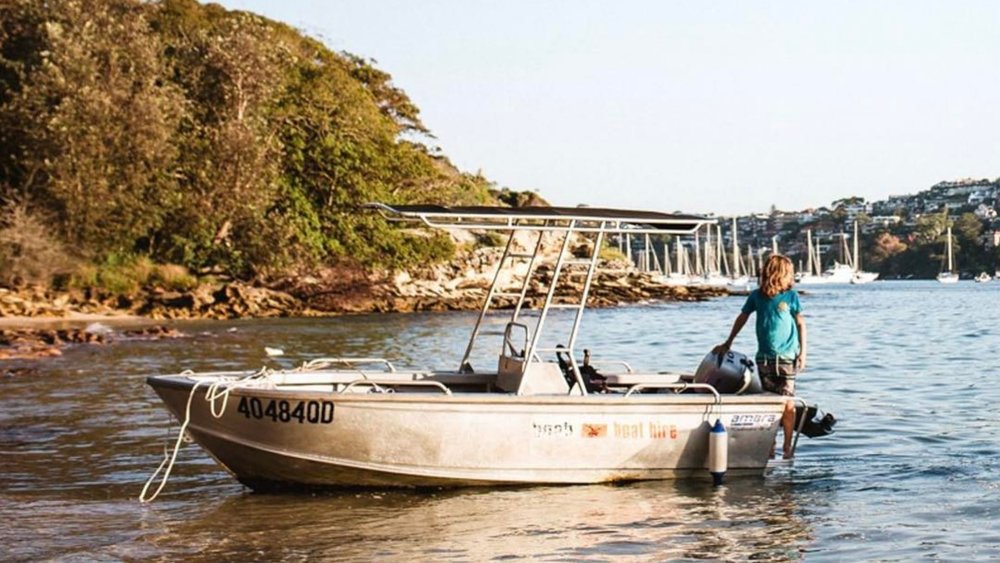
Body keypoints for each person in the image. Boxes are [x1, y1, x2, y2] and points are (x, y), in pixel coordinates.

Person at [712, 254, 807, 459]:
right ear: (779, 274)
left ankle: (787, 446)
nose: (792, 277)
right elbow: (742, 318)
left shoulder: (791, 297)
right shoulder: (757, 296)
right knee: (771, 402)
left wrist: (803, 353)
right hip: (764, 358)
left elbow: (800, 324)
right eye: (789, 273)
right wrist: (728, 342)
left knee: (788, 403)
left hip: (787, 358)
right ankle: (770, 443)